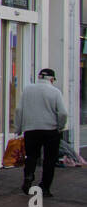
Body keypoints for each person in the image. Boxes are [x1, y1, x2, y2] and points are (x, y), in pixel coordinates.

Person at [16, 67, 68, 198]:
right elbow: (63, 113)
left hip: (31, 129)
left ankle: (28, 176)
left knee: (31, 156)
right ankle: (45, 188)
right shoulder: (55, 92)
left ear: (39, 77)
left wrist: (18, 127)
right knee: (49, 159)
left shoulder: (27, 90)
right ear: (51, 79)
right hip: (50, 130)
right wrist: (60, 127)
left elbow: (18, 110)